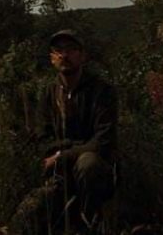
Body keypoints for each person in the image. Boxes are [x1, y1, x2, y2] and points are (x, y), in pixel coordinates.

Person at [29, 29, 118, 234]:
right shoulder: (48, 92)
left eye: (70, 49)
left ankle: (90, 224)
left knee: (88, 163)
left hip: (94, 168)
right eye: (58, 50)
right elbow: (42, 137)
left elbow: (103, 141)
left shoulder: (102, 91)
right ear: (52, 58)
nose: (64, 55)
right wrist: (62, 151)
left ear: (82, 55)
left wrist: (62, 155)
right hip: (58, 171)